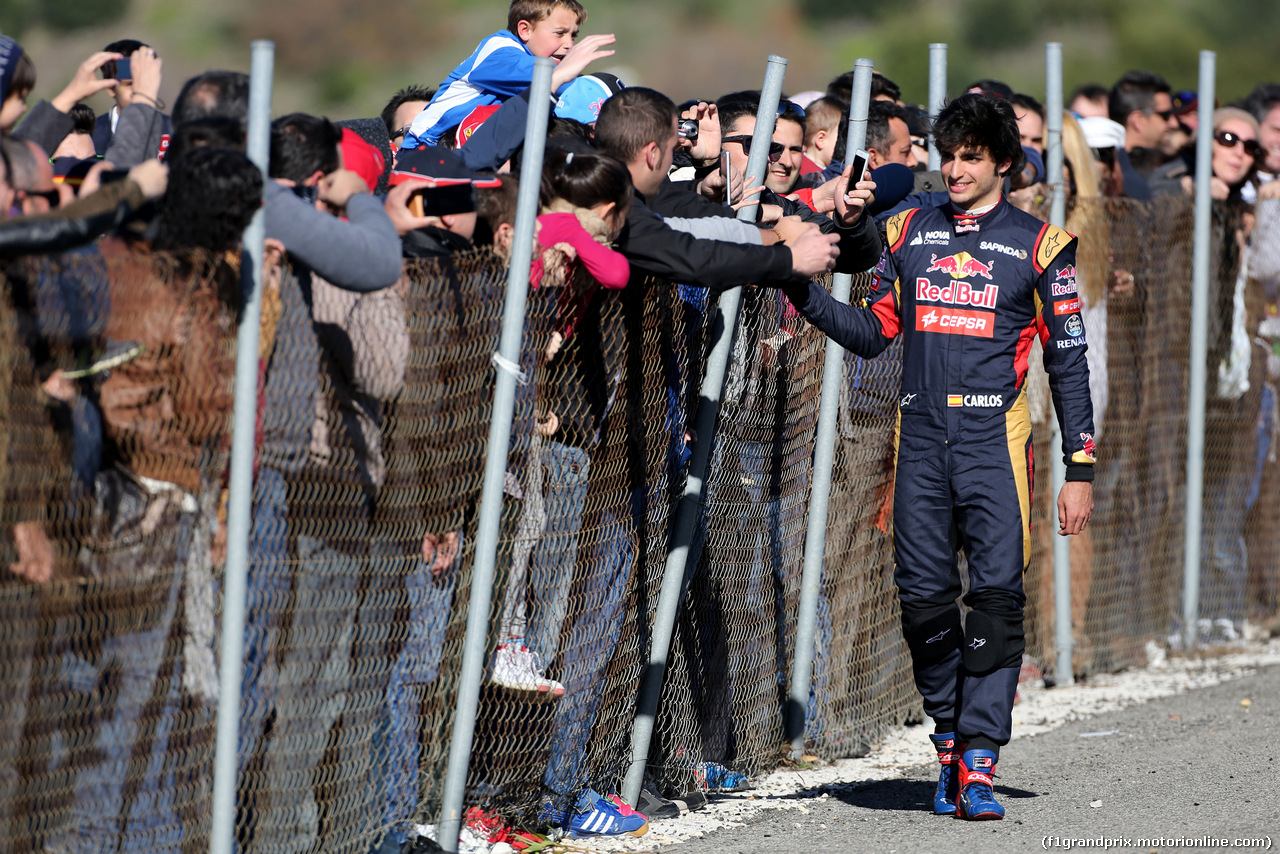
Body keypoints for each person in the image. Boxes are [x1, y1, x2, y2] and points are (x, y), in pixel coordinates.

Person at [778, 93, 1094, 820]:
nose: (953, 169)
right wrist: (799, 290)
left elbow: (1071, 364)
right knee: (922, 602)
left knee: (995, 602)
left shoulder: (1044, 246)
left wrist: (1080, 469)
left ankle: (980, 760)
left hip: (997, 445)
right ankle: (948, 738)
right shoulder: (907, 229)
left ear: (1005, 165)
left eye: (970, 158)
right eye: (947, 155)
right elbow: (870, 332)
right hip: (917, 440)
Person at [402, 0, 610, 148]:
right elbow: (547, 78)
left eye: (573, 35)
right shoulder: (499, 51)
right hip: (425, 145)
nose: (569, 44)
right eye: (560, 33)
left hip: (462, 146)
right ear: (525, 30)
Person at [91, 39, 172, 160]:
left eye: (143, 83)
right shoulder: (90, 136)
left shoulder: (175, 131)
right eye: (129, 84)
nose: (138, 91)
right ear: (110, 88)